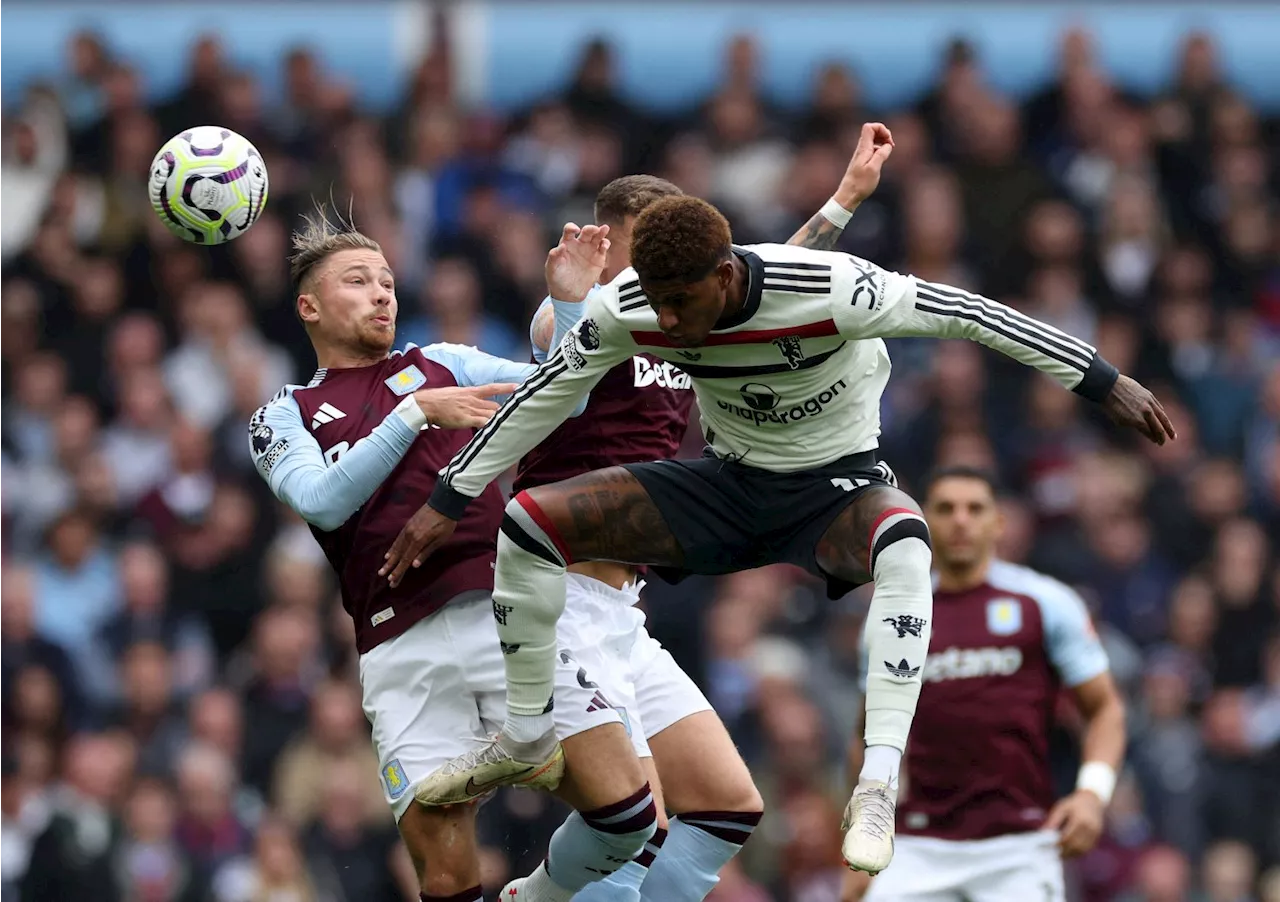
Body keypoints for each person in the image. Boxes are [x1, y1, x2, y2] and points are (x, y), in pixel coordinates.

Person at [384, 176, 1173, 876]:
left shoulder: (838, 290)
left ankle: (875, 785)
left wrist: (1103, 382)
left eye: (679, 302)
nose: (664, 318)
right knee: (528, 521)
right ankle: (526, 733)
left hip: (833, 490)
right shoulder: (632, 306)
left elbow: (971, 315)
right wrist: (450, 496)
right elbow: (547, 394)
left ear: (724, 275)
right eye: (653, 298)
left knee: (906, 541)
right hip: (729, 486)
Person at [511, 126, 887, 902]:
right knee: (635, 826)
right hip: (559, 597)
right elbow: (559, 364)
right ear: (608, 249)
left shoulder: (686, 320)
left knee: (725, 807)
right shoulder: (580, 316)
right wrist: (566, 291)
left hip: (623, 607)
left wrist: (845, 199)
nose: (668, 278)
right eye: (647, 256)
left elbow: (767, 278)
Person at [247, 212, 660, 902]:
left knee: (628, 815)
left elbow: (568, 391)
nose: (382, 293)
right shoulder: (283, 414)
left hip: (504, 620)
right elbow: (320, 501)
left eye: (386, 280)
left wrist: (565, 300)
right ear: (309, 306)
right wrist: (415, 415)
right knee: (446, 879)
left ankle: (533, 896)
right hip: (396, 650)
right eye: (358, 281)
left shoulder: (441, 362)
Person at [842, 467, 1126, 902]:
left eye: (974, 509)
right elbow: (867, 734)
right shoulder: (895, 617)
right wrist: (861, 842)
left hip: (1020, 845)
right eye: (945, 508)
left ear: (998, 522)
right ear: (925, 522)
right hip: (918, 845)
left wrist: (1092, 794)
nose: (960, 520)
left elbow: (1105, 708)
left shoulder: (1045, 604)